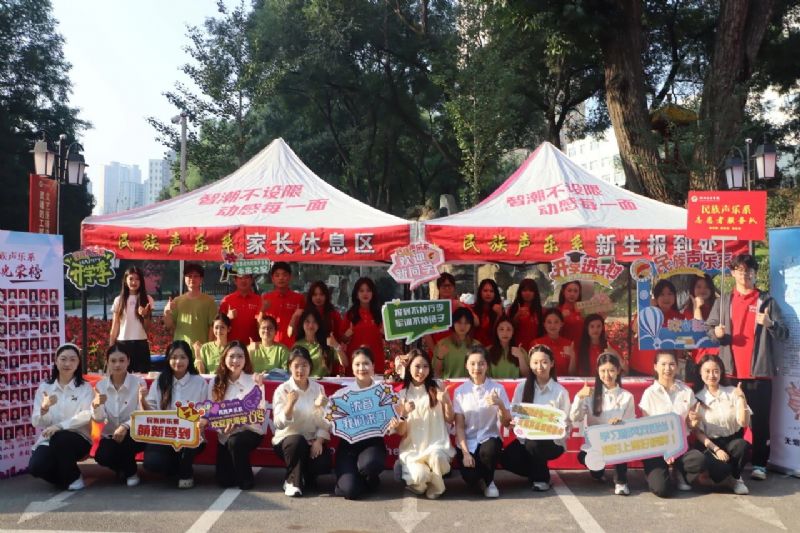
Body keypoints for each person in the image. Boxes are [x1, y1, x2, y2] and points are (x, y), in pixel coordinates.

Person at [707, 254, 788, 481]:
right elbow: (709, 329)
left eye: (749, 271)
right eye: (740, 270)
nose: (745, 275)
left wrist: (770, 324)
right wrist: (716, 333)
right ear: (733, 273)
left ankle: (760, 464)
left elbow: (784, 333)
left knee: (760, 422)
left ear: (755, 274)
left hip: (759, 374)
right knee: (731, 422)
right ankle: (734, 464)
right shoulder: (723, 301)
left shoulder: (767, 301)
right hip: (730, 373)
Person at [502, 344, 570, 491]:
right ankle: (536, 471)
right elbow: (515, 412)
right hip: (526, 438)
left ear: (552, 363)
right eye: (535, 362)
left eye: (544, 362)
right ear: (530, 364)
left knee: (533, 444)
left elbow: (566, 422)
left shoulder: (560, 392)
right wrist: (514, 422)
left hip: (553, 442)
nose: (540, 366)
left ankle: (541, 479)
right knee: (506, 458)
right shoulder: (522, 387)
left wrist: (557, 427)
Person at [142, 340, 209, 488]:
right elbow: (150, 411)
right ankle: (174, 467)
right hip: (165, 435)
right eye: (174, 357)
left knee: (188, 447)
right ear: (168, 359)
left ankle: (186, 472)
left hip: (192, 436)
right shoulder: (160, 381)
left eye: (183, 357)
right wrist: (142, 399)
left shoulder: (199, 382)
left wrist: (203, 420)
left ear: (189, 359)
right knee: (152, 463)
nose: (178, 361)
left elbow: (207, 409)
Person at [638, 350, 705, 497]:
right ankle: (652, 473)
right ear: (655, 367)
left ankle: (678, 471)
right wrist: (665, 449)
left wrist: (693, 421)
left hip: (680, 446)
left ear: (677, 366)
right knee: (662, 489)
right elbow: (646, 429)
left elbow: (690, 425)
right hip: (657, 447)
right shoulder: (649, 394)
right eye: (663, 364)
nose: (667, 368)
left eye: (671, 364)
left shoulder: (686, 391)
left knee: (699, 460)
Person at [29, 343, 93, 490]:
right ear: (56, 361)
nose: (67, 363)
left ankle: (72, 476)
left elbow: (86, 415)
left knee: (61, 438)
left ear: (78, 363)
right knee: (36, 467)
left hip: (78, 439)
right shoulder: (45, 388)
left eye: (72, 359)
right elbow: (36, 421)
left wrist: (60, 426)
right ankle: (69, 476)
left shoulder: (85, 388)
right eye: (63, 359)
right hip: (50, 439)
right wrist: (44, 410)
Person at [393, 349, 455, 499]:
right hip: (413, 452)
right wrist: (404, 414)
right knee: (420, 479)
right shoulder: (402, 394)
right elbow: (401, 432)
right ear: (409, 367)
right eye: (417, 366)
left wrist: (446, 402)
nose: (421, 371)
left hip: (437, 448)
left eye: (425, 366)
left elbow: (450, 419)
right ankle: (421, 478)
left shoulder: (438, 386)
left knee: (437, 458)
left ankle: (437, 488)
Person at [570, 352, 635, 495]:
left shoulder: (627, 396)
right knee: (584, 458)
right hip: (596, 445)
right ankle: (598, 472)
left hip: (617, 442)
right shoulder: (590, 394)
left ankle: (621, 482)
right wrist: (579, 397)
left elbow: (631, 424)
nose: (607, 375)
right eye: (603, 371)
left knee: (621, 447)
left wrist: (621, 423)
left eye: (611, 370)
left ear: (618, 371)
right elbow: (575, 417)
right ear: (597, 371)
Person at [272, 346, 332, 497]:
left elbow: (326, 422)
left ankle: (304, 475)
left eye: (304, 365)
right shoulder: (282, 389)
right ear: (289, 367)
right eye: (296, 366)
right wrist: (290, 404)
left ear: (310, 366)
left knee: (323, 462)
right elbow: (278, 424)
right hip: (288, 442)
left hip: (311, 440)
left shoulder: (318, 389)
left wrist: (319, 441)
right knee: (297, 441)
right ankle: (293, 482)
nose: (300, 370)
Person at [453, 345, 511, 498]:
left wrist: (500, 405)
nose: (477, 368)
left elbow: (507, 422)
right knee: (470, 477)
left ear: (487, 365)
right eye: (472, 363)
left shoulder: (498, 389)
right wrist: (465, 453)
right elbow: (459, 427)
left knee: (489, 451)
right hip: (467, 442)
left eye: (481, 363)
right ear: (466, 365)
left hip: (488, 438)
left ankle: (490, 482)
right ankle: (479, 480)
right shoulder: (460, 392)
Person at [208, 341, 266, 490]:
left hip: (250, 431)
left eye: (240, 356)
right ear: (224, 358)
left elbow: (260, 412)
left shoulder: (253, 380)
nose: (235, 360)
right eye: (232, 356)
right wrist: (222, 427)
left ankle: (246, 479)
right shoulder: (215, 382)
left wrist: (238, 420)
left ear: (246, 359)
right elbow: (211, 412)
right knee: (224, 481)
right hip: (224, 434)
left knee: (236, 441)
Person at [332, 347, 389, 500]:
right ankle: (355, 481)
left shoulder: (383, 392)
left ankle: (370, 478)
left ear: (373, 366)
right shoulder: (342, 394)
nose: (361, 368)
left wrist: (396, 420)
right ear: (352, 367)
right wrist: (323, 407)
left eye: (366, 364)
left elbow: (393, 421)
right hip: (348, 447)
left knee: (371, 464)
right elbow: (328, 422)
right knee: (350, 491)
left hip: (372, 444)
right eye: (357, 364)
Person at [691, 354, 751, 494]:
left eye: (715, 371)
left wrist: (742, 399)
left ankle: (736, 478)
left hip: (732, 441)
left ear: (721, 372)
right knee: (720, 470)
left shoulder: (732, 392)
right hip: (710, 444)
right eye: (707, 371)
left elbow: (743, 422)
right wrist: (717, 449)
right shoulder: (697, 398)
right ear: (700, 372)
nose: (711, 375)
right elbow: (698, 432)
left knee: (742, 446)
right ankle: (726, 478)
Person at [92, 343, 147, 486]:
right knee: (102, 456)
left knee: (126, 442)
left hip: (134, 433)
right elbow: (99, 418)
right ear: (107, 362)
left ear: (128, 361)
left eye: (122, 360)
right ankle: (123, 467)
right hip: (110, 435)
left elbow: (141, 412)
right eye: (113, 361)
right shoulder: (100, 386)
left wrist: (125, 426)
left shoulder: (139, 383)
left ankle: (131, 472)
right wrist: (96, 406)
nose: (117, 365)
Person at [629, 279, 685, 376]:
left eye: (670, 294)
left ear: (675, 296)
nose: (666, 298)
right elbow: (636, 329)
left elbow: (682, 343)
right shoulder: (648, 312)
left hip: (665, 371)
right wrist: (647, 308)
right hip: (640, 368)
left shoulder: (680, 318)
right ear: (656, 297)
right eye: (662, 294)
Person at [163, 263, 217, 352]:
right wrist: (166, 312)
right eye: (189, 276)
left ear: (201, 279)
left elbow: (213, 326)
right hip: (181, 350)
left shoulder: (209, 301)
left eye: (196, 276)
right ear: (185, 278)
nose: (192, 279)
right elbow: (169, 326)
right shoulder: (177, 301)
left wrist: (208, 348)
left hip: (201, 349)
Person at [109, 266, 154, 373]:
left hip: (141, 344)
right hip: (123, 343)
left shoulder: (147, 299)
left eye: (137, 279)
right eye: (131, 279)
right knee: (122, 376)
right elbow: (115, 325)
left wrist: (145, 316)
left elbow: (147, 329)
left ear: (141, 281)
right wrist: (111, 347)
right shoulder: (118, 300)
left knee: (142, 377)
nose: (134, 282)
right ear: (125, 281)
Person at [423, 273, 477, 355]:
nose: (447, 288)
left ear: (454, 287)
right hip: (437, 350)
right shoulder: (432, 307)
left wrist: (461, 306)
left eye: (449, 286)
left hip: (459, 352)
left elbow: (476, 322)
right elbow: (426, 332)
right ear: (438, 287)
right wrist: (435, 352)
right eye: (444, 286)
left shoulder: (460, 305)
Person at [342, 277, 385, 374]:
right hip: (356, 363)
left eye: (368, 290)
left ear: (373, 293)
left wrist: (385, 334)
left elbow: (389, 338)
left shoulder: (380, 314)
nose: (365, 293)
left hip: (375, 361)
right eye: (361, 291)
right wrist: (346, 335)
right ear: (356, 294)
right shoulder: (351, 314)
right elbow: (342, 339)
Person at [288, 281, 346, 350]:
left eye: (321, 294)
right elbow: (290, 334)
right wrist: (294, 317)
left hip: (327, 351)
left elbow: (340, 337)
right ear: (310, 296)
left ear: (326, 296)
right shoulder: (304, 313)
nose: (318, 297)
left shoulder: (333, 314)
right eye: (315, 295)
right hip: (306, 351)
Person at [260, 261, 305, 345]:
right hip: (271, 346)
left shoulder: (299, 298)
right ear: (272, 279)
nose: (281, 278)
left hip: (293, 345)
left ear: (290, 277)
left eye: (284, 275)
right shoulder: (265, 298)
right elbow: (259, 323)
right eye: (277, 275)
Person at [293, 307, 345, 377]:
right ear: (302, 324)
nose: (311, 325)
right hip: (304, 382)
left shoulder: (327, 342)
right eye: (307, 321)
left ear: (319, 324)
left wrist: (336, 345)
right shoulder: (297, 345)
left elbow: (345, 363)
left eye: (314, 321)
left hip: (323, 382)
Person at [683, 274, 719, 363]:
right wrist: (697, 308)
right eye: (699, 287)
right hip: (699, 357)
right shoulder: (688, 311)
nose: (702, 290)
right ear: (693, 289)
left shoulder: (719, 307)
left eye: (706, 287)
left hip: (717, 355)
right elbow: (699, 332)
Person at [219, 273, 262, 346]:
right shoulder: (227, 300)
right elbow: (219, 326)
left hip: (253, 346)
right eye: (240, 278)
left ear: (251, 280)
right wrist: (227, 317)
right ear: (235, 281)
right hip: (231, 346)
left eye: (246, 277)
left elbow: (263, 324)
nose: (243, 280)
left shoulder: (259, 300)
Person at [433, 307, 474, 379]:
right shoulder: (442, 344)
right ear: (453, 323)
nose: (462, 326)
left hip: (471, 385)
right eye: (459, 322)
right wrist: (440, 358)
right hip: (448, 385)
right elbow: (436, 373)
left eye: (466, 323)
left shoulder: (477, 345)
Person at [532, 308, 576, 375]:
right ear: (544, 324)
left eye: (556, 322)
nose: (553, 325)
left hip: (563, 381)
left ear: (561, 324)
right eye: (549, 322)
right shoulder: (536, 344)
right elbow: (532, 371)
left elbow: (573, 374)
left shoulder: (569, 344)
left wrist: (572, 356)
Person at [507, 278, 544, 351]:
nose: (527, 293)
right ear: (520, 292)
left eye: (531, 290)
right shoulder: (512, 309)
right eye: (524, 290)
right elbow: (507, 329)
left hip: (536, 349)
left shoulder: (541, 311)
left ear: (535, 293)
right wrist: (517, 316)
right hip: (517, 348)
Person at [471, 279, 504, 347]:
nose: (488, 294)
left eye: (491, 291)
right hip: (475, 347)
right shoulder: (473, 309)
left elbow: (501, 332)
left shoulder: (499, 310)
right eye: (485, 290)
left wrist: (499, 315)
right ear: (480, 292)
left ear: (495, 293)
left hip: (493, 347)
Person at [557, 281, 584, 345]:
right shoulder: (557, 311)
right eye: (569, 290)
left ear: (579, 293)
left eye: (575, 291)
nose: (572, 294)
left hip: (581, 347)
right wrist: (560, 318)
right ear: (563, 292)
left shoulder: (583, 311)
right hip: (563, 346)